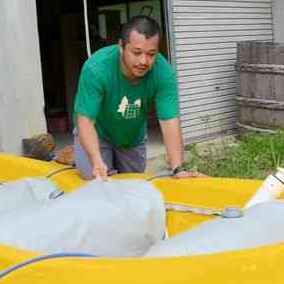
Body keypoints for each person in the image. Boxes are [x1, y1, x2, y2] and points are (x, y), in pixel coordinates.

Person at [72, 15, 202, 181]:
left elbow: (169, 122)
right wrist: (97, 162)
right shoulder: (96, 68)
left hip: (132, 136)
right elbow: (85, 121)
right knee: (97, 181)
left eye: (151, 54)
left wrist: (178, 169)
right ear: (121, 46)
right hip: (97, 132)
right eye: (136, 52)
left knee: (134, 184)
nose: (143, 61)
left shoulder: (164, 73)